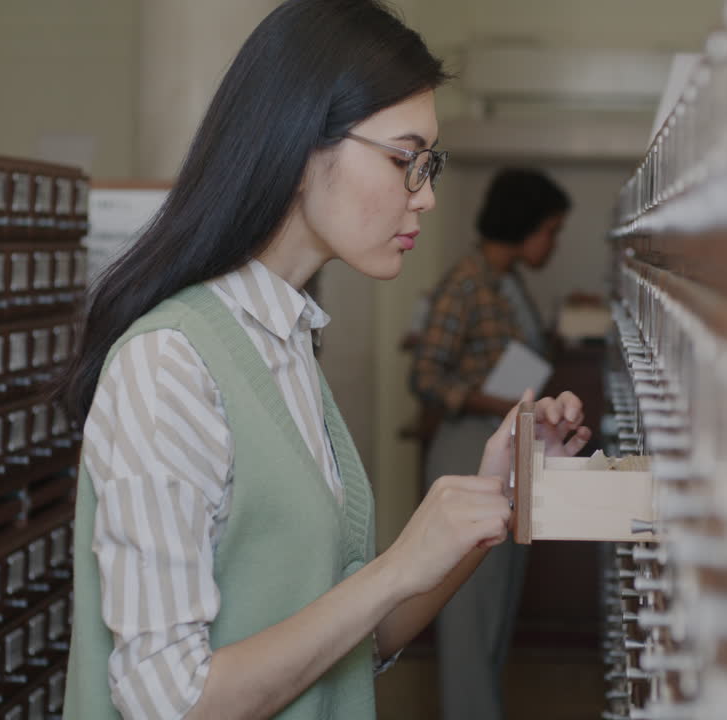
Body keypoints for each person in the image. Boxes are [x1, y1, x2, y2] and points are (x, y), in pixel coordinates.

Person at [54, 2, 592, 719]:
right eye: (406, 160)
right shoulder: (169, 367)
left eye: (429, 166)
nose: (426, 197)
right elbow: (167, 702)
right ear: (302, 142)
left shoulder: (287, 341)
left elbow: (354, 648)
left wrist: (492, 496)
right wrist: (397, 565)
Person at [409, 168, 571, 720]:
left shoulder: (506, 282)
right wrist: (499, 405)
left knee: (496, 606)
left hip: (502, 448)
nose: (553, 243)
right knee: (469, 615)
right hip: (468, 448)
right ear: (524, 225)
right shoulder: (467, 282)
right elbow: (427, 377)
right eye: (551, 230)